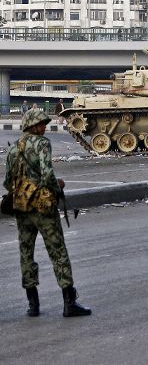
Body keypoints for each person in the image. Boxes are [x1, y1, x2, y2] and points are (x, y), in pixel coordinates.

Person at [3, 109, 91, 318]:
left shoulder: (14, 148)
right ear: (33, 126)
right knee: (58, 251)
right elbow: (48, 173)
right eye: (41, 124)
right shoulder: (42, 144)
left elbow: (7, 181)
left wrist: (25, 189)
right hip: (43, 207)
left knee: (26, 253)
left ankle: (33, 305)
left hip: (22, 207)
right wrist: (56, 186)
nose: (44, 127)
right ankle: (69, 302)